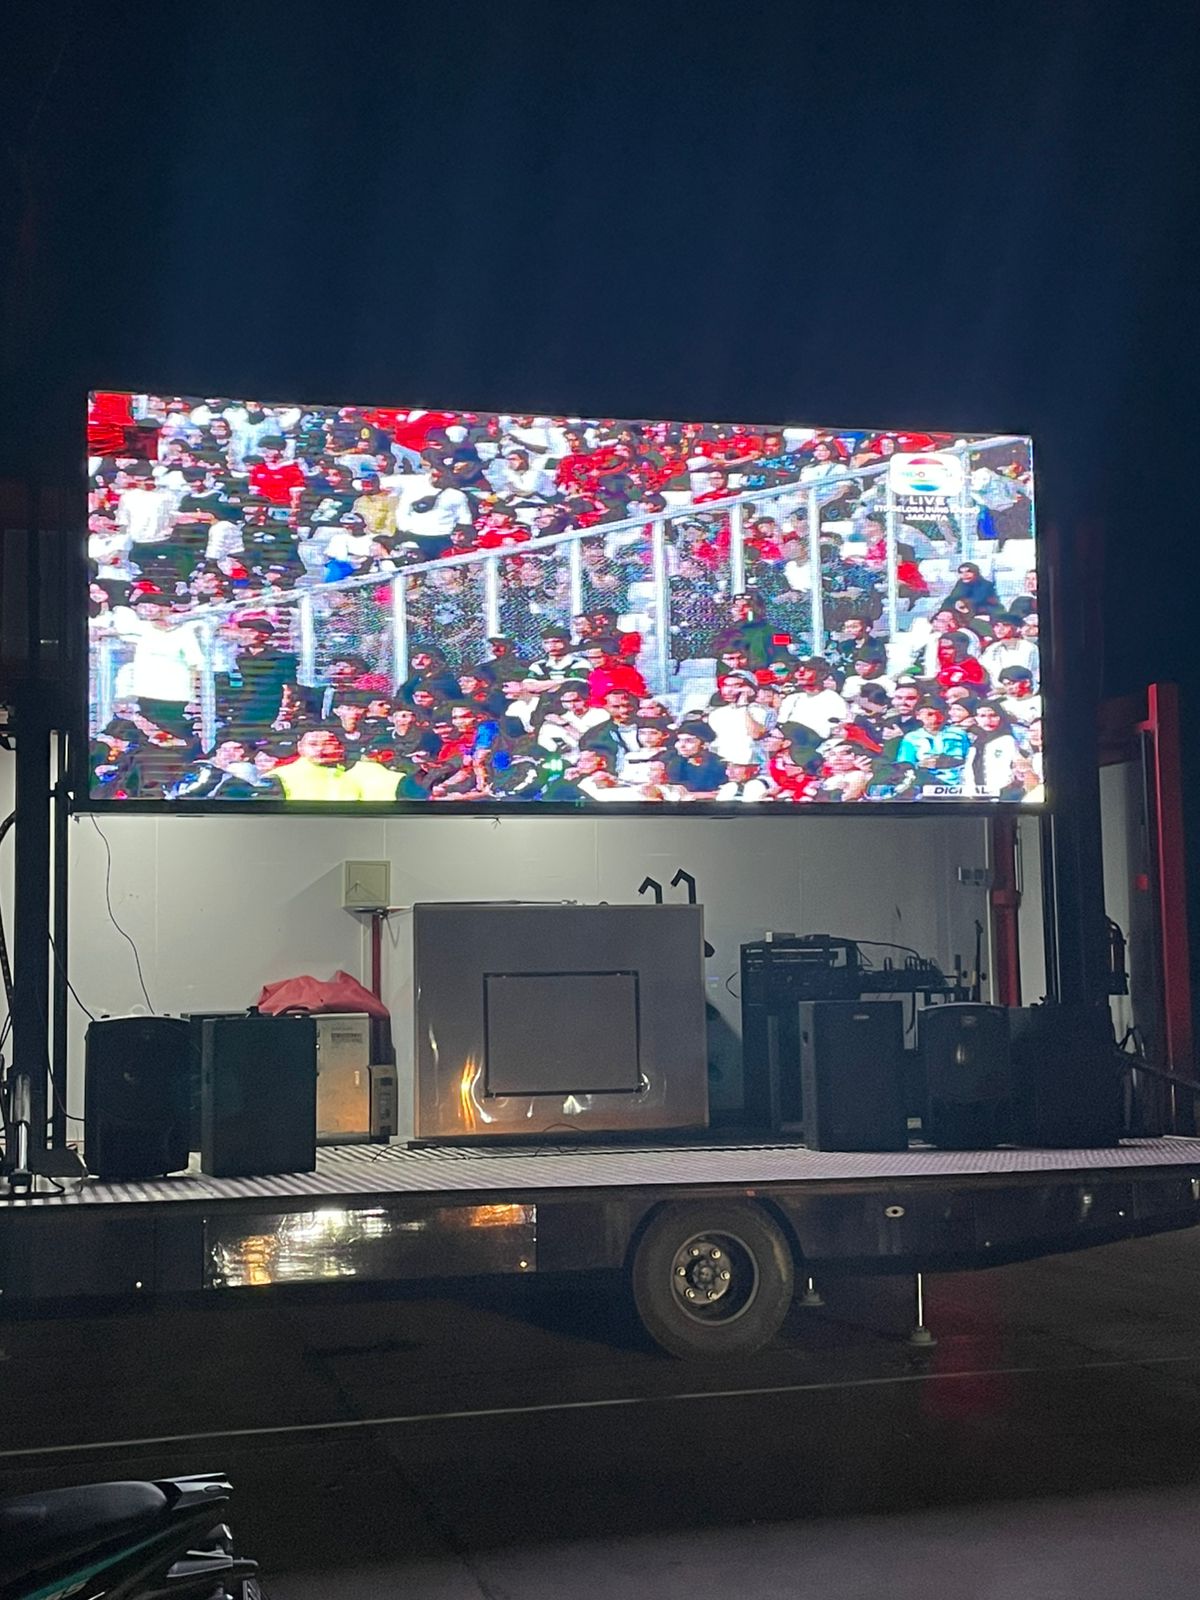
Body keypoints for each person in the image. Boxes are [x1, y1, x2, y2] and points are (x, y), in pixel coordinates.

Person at [895, 700, 972, 791]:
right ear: (918, 715)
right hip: (925, 783)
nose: (935, 718)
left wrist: (948, 762)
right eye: (930, 714)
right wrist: (919, 765)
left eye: (940, 714)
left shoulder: (959, 733)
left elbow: (970, 759)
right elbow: (905, 764)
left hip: (957, 782)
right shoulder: (911, 737)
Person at [778, 658, 849, 739]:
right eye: (798, 670)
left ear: (821, 674)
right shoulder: (792, 698)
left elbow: (840, 726)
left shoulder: (833, 699)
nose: (801, 674)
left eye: (808, 670)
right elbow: (781, 722)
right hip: (788, 738)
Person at [665, 724, 727, 796]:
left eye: (689, 741)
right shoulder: (672, 761)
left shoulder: (718, 764)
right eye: (679, 740)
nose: (682, 746)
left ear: (705, 744)